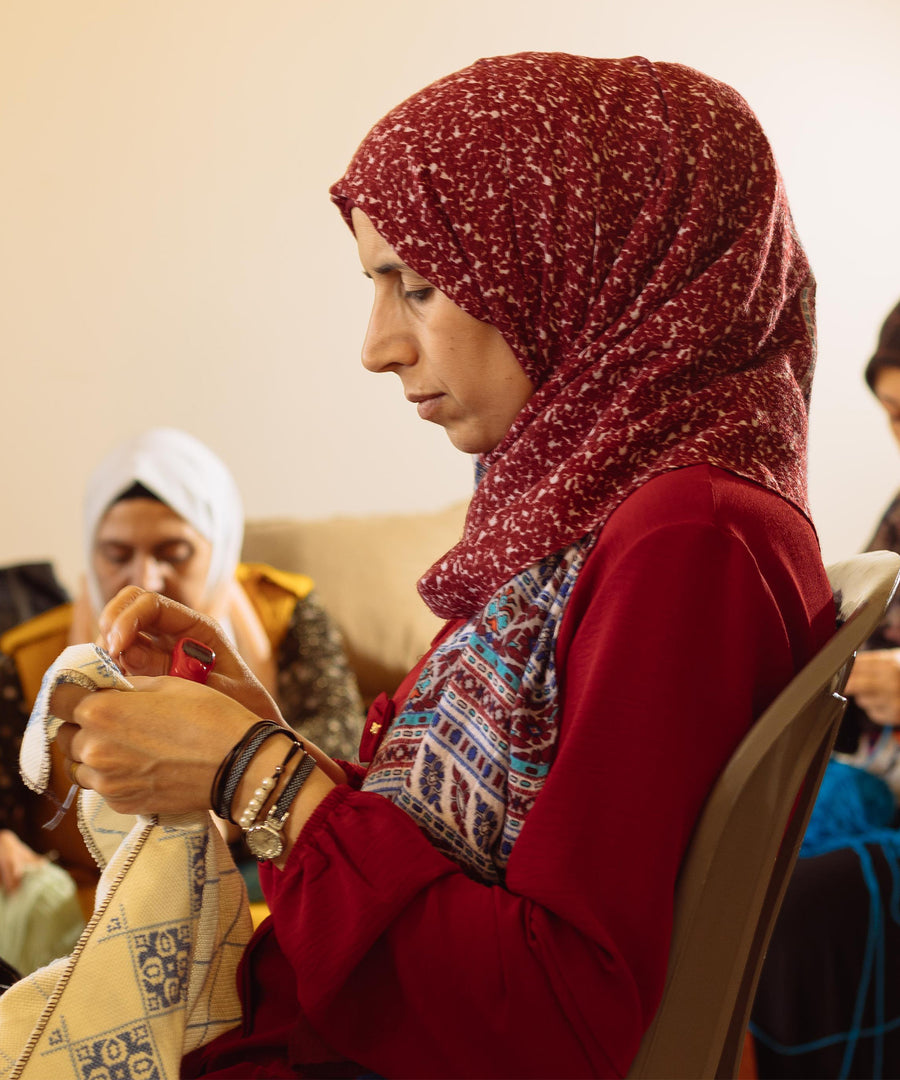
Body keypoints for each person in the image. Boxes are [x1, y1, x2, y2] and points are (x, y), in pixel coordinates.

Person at [47, 53, 835, 1078]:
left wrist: (258, 778)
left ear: (574, 261)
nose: (377, 346)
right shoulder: (606, 515)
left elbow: (558, 1019)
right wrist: (254, 734)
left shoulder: (690, 540)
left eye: (415, 285)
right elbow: (455, 874)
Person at [0, 427, 363, 970]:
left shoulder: (286, 619)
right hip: (91, 906)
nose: (145, 578)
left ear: (220, 547)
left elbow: (339, 744)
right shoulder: (31, 659)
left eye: (175, 553)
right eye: (116, 555)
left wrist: (226, 787)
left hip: (259, 882)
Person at [751, 298, 900, 1079]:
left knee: (781, 907)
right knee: (741, 852)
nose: (898, 438)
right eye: (889, 414)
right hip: (870, 776)